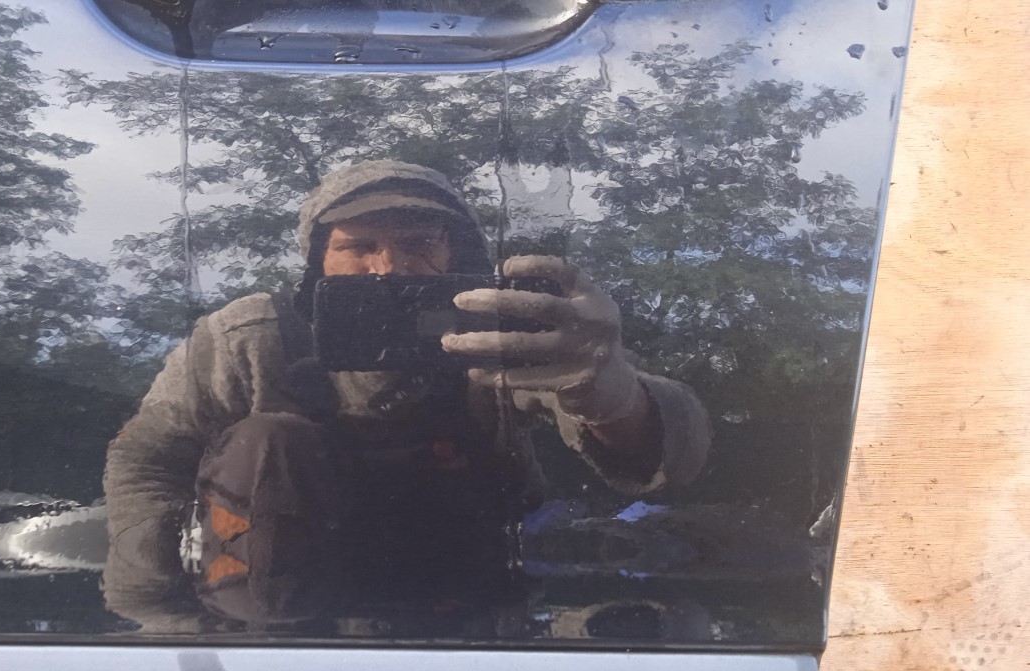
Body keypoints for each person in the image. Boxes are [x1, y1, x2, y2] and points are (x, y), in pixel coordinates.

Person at [103, 160, 710, 634]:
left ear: (454, 252)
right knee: (270, 440)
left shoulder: (502, 329)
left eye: (420, 242)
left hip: (480, 614)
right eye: (359, 246)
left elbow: (669, 456)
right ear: (318, 259)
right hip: (268, 632)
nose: (388, 267)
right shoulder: (244, 337)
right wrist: (174, 612)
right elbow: (145, 460)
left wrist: (607, 391)